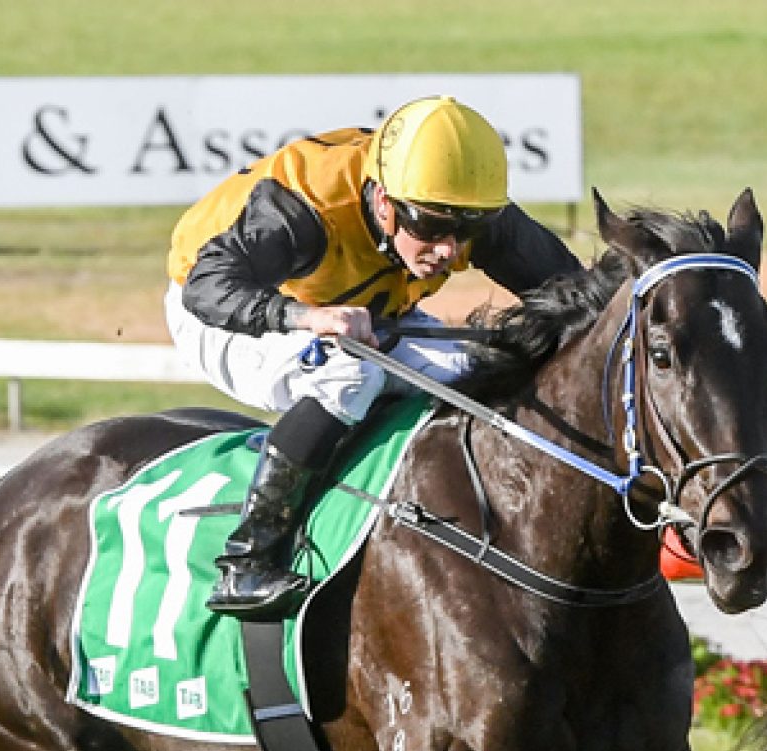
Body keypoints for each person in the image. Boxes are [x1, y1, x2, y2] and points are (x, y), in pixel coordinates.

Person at [164, 96, 581, 620]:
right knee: (349, 373)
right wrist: (304, 318)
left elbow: (578, 296)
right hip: (226, 308)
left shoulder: (458, 205)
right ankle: (249, 556)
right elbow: (209, 289)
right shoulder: (304, 211)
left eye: (467, 229)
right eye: (430, 227)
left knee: (474, 374)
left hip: (361, 312)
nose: (449, 250)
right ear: (384, 201)